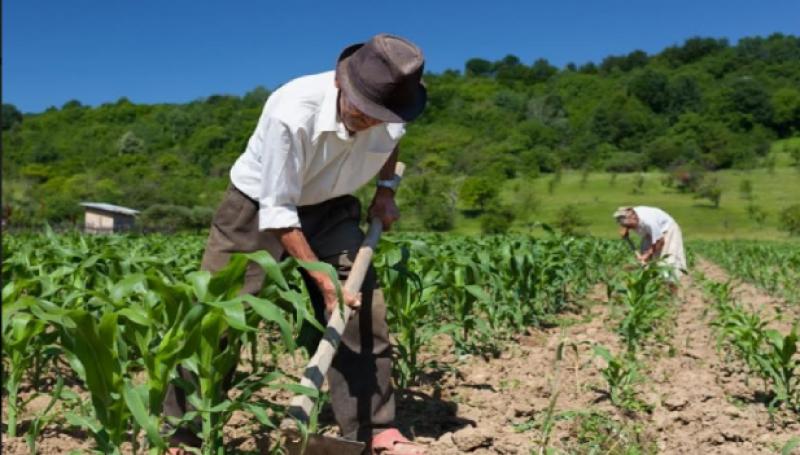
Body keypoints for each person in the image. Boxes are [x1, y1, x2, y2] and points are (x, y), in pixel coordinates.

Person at [163, 33, 428, 455]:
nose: (371, 121)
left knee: (361, 310)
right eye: (363, 111)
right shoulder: (292, 110)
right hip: (258, 207)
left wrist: (386, 190)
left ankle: (373, 429)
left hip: (333, 204)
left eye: (380, 115)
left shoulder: (394, 109)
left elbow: (391, 144)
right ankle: (182, 433)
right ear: (342, 84)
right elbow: (279, 211)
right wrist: (323, 282)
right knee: (218, 315)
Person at [613, 206, 687, 283]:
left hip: (667, 231)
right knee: (646, 263)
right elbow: (624, 219)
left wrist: (647, 254)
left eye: (631, 226)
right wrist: (625, 228)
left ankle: (672, 291)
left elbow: (660, 241)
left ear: (634, 218)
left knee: (666, 263)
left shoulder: (648, 221)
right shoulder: (630, 214)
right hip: (649, 233)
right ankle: (651, 285)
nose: (632, 228)